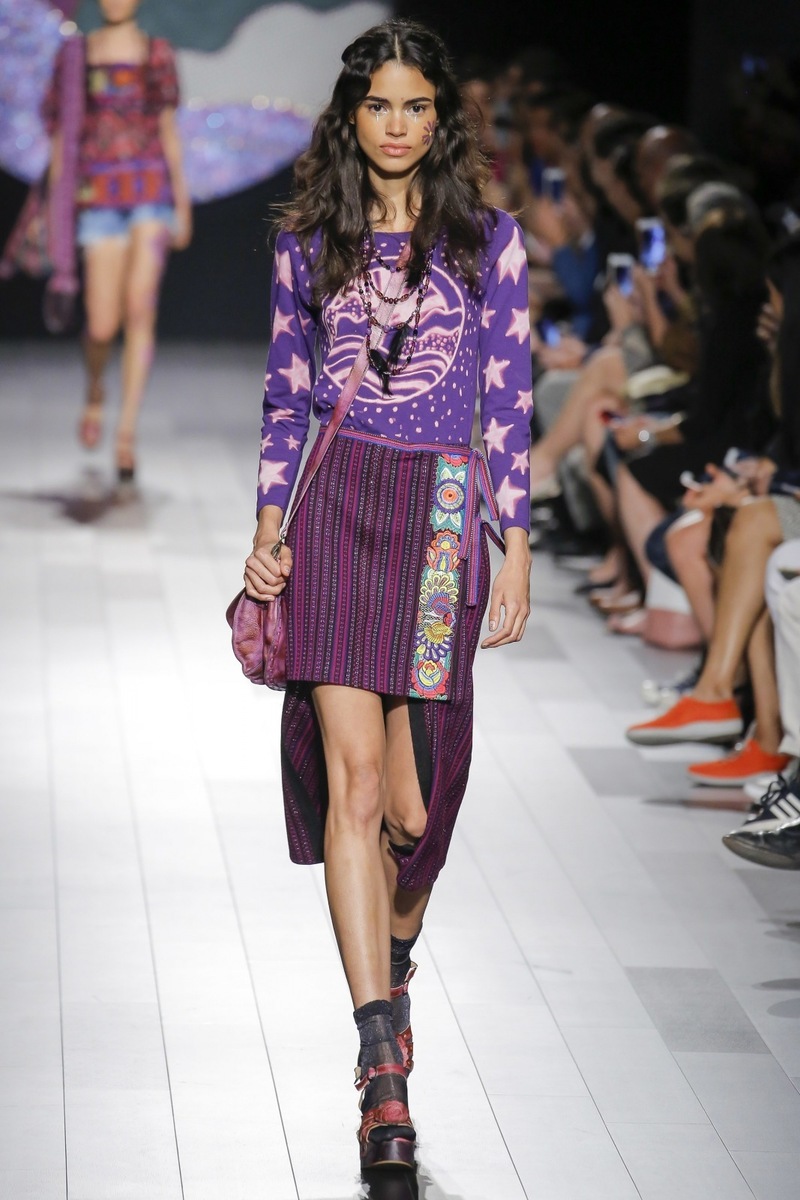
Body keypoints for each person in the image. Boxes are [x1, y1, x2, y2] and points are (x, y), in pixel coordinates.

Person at [242, 19, 532, 1172]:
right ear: (350, 115)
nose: (397, 125)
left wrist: (516, 546)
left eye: (416, 105)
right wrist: (268, 531)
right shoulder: (309, 240)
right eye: (378, 105)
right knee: (354, 787)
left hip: (442, 521)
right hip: (335, 514)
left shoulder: (486, 242)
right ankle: (382, 1075)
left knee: (416, 813)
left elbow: (508, 403)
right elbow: (285, 397)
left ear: (440, 116)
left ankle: (392, 972)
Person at [43, 0, 191, 480]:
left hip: (151, 194)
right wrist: (54, 208)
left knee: (140, 310)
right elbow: (63, 135)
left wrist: (182, 203)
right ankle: (94, 390)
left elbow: (167, 128)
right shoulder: (76, 55)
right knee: (102, 325)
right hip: (98, 198)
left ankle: (126, 434)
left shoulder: (157, 53)